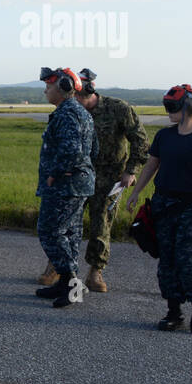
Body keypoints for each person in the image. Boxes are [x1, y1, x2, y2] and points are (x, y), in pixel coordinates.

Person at [125, 84, 192, 334]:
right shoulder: (163, 137)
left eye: (172, 106)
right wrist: (136, 192)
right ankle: (174, 312)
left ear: (190, 107)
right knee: (166, 260)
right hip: (164, 205)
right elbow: (151, 166)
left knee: (188, 259)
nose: (168, 111)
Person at [49, 67, 148, 293]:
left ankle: (95, 271)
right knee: (65, 221)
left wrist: (131, 171)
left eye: (77, 100)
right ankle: (58, 267)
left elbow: (141, 142)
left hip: (109, 176)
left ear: (87, 94)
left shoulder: (119, 109)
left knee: (101, 223)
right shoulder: (70, 110)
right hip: (77, 174)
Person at [34, 67, 98, 308]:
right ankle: (65, 284)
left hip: (65, 186)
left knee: (50, 231)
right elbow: (94, 150)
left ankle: (71, 282)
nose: (45, 91)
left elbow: (71, 150)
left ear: (62, 88)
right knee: (69, 233)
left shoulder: (67, 114)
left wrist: (55, 174)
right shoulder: (80, 112)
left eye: (49, 87)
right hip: (77, 185)